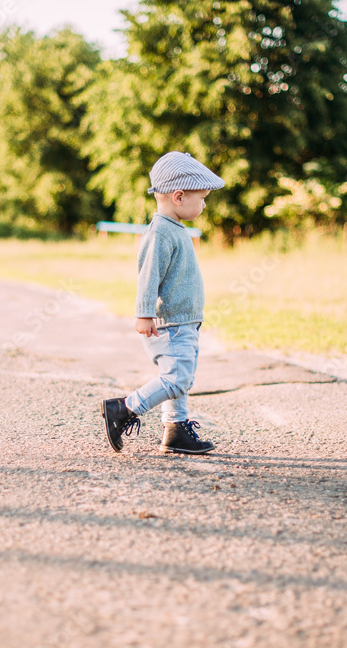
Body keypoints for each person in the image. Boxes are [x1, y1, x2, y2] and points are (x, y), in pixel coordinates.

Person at [101, 151, 225, 455]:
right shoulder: (159, 232)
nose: (205, 204)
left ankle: (175, 430)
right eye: (202, 198)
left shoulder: (175, 228)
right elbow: (148, 276)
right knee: (177, 378)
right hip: (171, 324)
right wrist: (143, 313)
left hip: (185, 322)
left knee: (180, 378)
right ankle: (125, 408)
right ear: (179, 197)